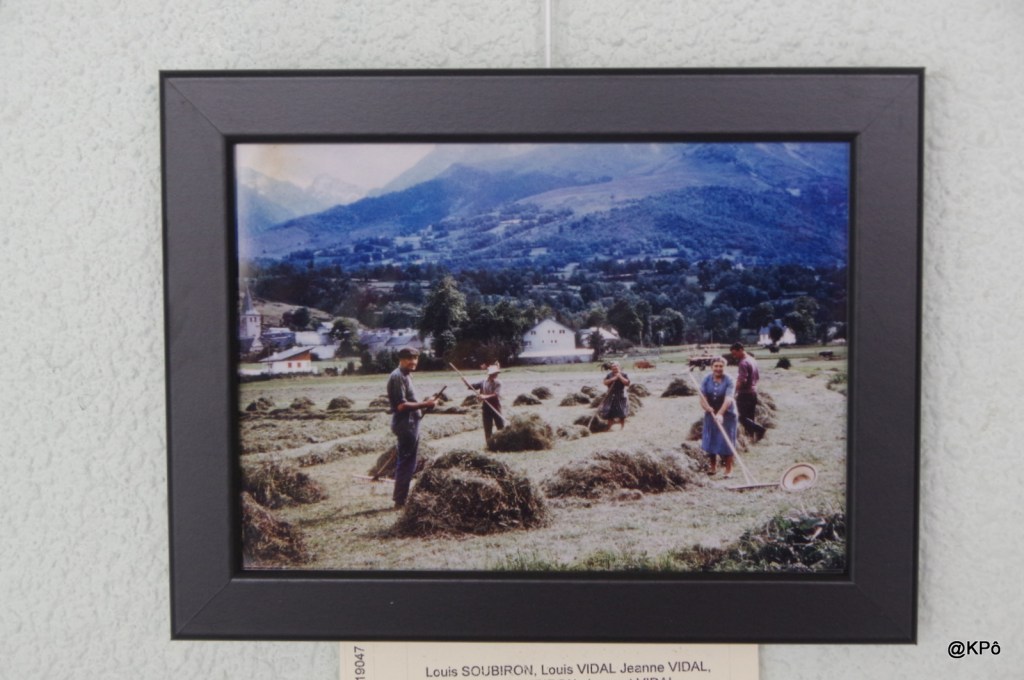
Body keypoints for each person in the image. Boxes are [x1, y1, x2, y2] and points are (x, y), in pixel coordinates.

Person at [386, 347, 438, 508]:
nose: (413, 361)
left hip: (412, 423)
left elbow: (410, 400)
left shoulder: (407, 376)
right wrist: (425, 404)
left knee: (409, 462)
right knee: (406, 462)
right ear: (400, 359)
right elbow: (401, 406)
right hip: (405, 425)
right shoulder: (397, 377)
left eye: (415, 358)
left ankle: (401, 498)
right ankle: (400, 500)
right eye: (409, 358)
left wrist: (426, 402)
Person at [700, 356, 738, 477]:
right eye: (716, 366)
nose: (718, 368)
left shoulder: (729, 380)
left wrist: (721, 413)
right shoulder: (706, 379)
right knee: (711, 438)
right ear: (711, 367)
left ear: (724, 367)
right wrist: (706, 407)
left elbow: (728, 399)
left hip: (727, 413)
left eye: (721, 366)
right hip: (710, 412)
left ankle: (729, 469)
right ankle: (713, 467)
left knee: (727, 440)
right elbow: (702, 397)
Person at [729, 342, 764, 439]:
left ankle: (760, 430)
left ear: (740, 350)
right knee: (750, 417)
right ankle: (751, 437)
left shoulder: (743, 362)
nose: (734, 356)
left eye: (735, 353)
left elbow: (742, 380)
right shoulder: (752, 359)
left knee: (740, 416)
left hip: (745, 394)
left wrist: (733, 392)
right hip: (753, 392)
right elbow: (757, 377)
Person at [470, 364, 504, 447]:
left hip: (495, 406)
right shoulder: (483, 382)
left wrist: (485, 396)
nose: (495, 375)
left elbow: (496, 394)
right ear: (490, 374)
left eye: (496, 374)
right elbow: (472, 386)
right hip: (486, 407)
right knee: (487, 427)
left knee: (500, 425)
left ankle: (503, 442)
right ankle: (489, 444)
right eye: (494, 374)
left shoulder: (498, 383)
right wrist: (465, 382)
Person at [600, 361, 631, 430]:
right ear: (611, 368)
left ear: (618, 367)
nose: (614, 368)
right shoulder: (609, 375)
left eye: (616, 367)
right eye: (613, 367)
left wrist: (619, 377)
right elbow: (605, 382)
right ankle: (609, 427)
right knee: (609, 411)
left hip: (621, 394)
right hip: (611, 395)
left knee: (622, 412)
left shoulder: (624, 374)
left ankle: (622, 427)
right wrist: (613, 379)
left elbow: (627, 383)